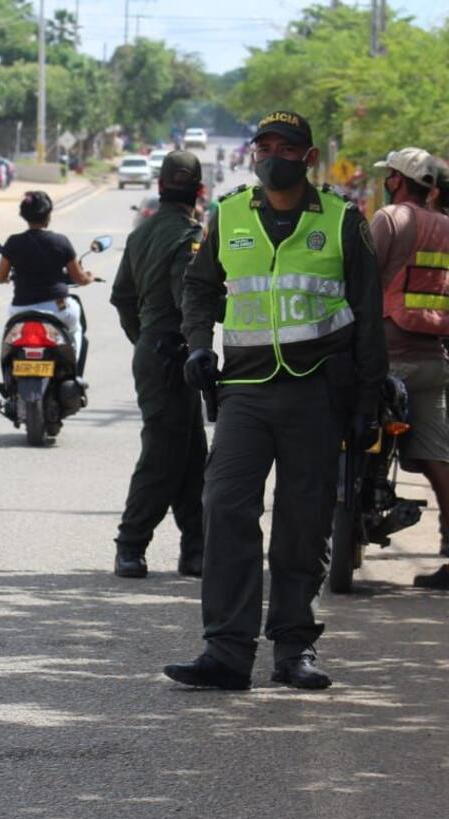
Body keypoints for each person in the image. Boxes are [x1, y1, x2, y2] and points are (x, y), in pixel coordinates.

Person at [167, 110, 387, 691]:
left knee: (304, 522)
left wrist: (368, 398)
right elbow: (199, 286)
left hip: (318, 391)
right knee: (225, 506)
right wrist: (196, 345)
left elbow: (368, 314)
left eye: (285, 147)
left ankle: (293, 649)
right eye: (263, 145)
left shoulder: (343, 220)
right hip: (244, 389)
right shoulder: (228, 213)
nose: (272, 155)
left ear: (308, 157)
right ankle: (226, 652)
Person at [108, 151, 206, 579]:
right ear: (199, 191)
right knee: (164, 453)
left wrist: (143, 338)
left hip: (156, 348)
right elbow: (190, 300)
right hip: (173, 352)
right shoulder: (187, 236)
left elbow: (121, 297)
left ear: (161, 186)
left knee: (192, 454)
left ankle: (196, 548)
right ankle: (131, 543)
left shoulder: (142, 232)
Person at [368, 148, 449, 587]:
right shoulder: (446, 227)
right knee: (439, 457)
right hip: (432, 358)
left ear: (398, 180)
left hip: (386, 357)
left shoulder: (391, 219)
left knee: (344, 431)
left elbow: (361, 278)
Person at [0, 190, 92, 360]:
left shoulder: (13, 242)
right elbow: (79, 278)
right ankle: (74, 368)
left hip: (20, 310)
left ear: (24, 215)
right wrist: (88, 277)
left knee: (9, 338)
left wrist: (7, 279)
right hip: (57, 309)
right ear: (48, 216)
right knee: (76, 330)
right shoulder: (61, 241)